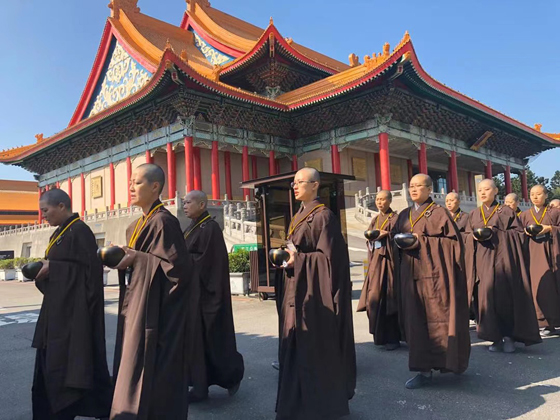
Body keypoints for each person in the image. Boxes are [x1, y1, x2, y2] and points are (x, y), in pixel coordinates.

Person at [110, 164, 193, 419]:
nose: (131, 187)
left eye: (137, 182)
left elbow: (178, 272)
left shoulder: (164, 222)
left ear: (155, 187)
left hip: (156, 314)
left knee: (151, 368)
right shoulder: (138, 223)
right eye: (131, 182)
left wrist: (139, 259)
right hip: (138, 304)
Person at [275, 168, 356, 420]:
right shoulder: (299, 214)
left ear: (315, 186)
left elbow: (331, 261)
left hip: (314, 294)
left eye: (300, 182)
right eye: (294, 182)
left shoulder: (324, 217)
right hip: (296, 288)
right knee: (294, 343)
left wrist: (298, 260)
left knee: (315, 348)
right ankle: (296, 404)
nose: (295, 186)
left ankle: (320, 406)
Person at [32, 189, 112, 420]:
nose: (43, 216)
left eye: (45, 211)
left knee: (72, 363)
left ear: (61, 206)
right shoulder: (60, 233)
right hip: (56, 311)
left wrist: (54, 269)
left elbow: (90, 273)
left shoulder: (80, 232)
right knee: (52, 364)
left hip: (74, 316)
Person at [392, 174, 470, 389]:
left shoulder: (439, 213)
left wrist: (422, 242)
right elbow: (394, 240)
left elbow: (454, 245)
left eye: (419, 186)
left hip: (436, 278)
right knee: (416, 323)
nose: (414, 189)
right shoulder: (404, 215)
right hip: (411, 275)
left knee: (439, 320)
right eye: (412, 186)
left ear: (429, 190)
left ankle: (448, 362)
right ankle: (423, 371)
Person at [465, 179, 541, 354]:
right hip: (482, 261)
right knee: (485, 298)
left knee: (504, 299)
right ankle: (495, 337)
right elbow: (466, 236)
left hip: (503, 261)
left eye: (486, 189)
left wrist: (496, 233)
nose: (483, 193)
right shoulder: (474, 214)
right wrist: (473, 238)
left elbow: (519, 234)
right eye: (480, 190)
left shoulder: (506, 211)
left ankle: (509, 336)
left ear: (495, 191)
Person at [182, 190, 244, 402]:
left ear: (202, 204)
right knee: (195, 342)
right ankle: (199, 387)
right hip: (193, 295)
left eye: (189, 202)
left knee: (213, 341)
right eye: (183, 202)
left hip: (207, 295)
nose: (184, 206)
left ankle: (232, 374)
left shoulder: (210, 228)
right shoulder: (192, 227)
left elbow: (210, 263)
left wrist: (182, 263)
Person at [357, 190, 401, 350]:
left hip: (389, 265)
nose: (379, 202)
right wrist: (371, 238)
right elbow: (369, 239)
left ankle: (393, 338)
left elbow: (400, 239)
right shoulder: (375, 219)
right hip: (376, 264)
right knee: (374, 298)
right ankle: (380, 336)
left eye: (383, 199)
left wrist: (387, 236)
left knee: (389, 299)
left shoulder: (396, 218)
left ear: (389, 201)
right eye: (377, 199)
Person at [519, 185, 560, 336]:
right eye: (532, 194)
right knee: (537, 286)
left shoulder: (555, 212)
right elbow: (517, 234)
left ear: (546, 195)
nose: (535, 197)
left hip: (552, 252)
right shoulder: (525, 215)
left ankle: (555, 321)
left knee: (553, 285)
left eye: (538, 194)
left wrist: (550, 229)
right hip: (533, 253)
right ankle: (542, 322)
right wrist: (524, 232)